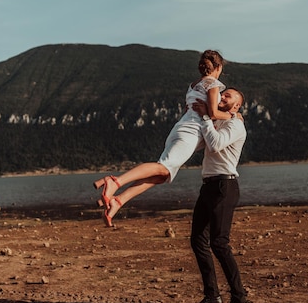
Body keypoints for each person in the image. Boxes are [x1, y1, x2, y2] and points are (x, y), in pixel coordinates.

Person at [93, 50, 234, 227]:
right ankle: (115, 182)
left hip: (181, 128)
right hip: (190, 132)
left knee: (161, 175)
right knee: (163, 167)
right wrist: (232, 116)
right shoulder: (213, 84)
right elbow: (212, 112)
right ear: (219, 67)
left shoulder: (193, 85)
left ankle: (118, 201)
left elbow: (191, 110)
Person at [189, 87, 249, 303]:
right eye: (222, 93)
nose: (222, 96)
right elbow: (201, 143)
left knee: (220, 243)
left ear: (236, 107)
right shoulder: (221, 122)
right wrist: (201, 116)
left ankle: (240, 301)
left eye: (228, 96)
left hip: (225, 187)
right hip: (209, 186)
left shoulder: (236, 125)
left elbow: (214, 145)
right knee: (197, 240)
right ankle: (212, 296)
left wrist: (206, 116)